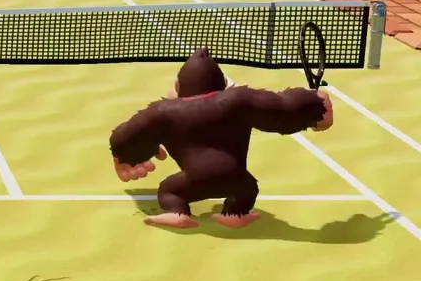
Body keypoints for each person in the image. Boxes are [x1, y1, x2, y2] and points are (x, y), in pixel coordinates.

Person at [110, 49, 334, 229]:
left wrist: (128, 154)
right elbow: (281, 107)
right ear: (222, 86)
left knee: (168, 191)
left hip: (194, 179)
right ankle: (235, 213)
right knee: (248, 188)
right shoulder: (238, 101)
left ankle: (177, 212)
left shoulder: (164, 112)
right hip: (236, 178)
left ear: (179, 87)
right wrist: (315, 104)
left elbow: (128, 134)